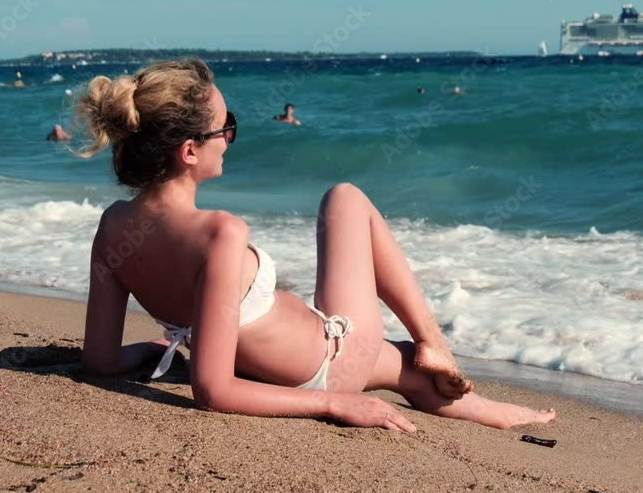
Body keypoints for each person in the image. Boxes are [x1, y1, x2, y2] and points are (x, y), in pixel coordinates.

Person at [73, 59, 555, 432]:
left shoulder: (113, 226)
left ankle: (468, 395)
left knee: (407, 368)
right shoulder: (220, 233)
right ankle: (437, 344)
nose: (230, 139)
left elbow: (100, 360)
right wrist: (333, 402)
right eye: (227, 128)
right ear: (191, 150)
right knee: (346, 199)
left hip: (280, 367)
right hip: (328, 362)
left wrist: (162, 345)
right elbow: (213, 390)